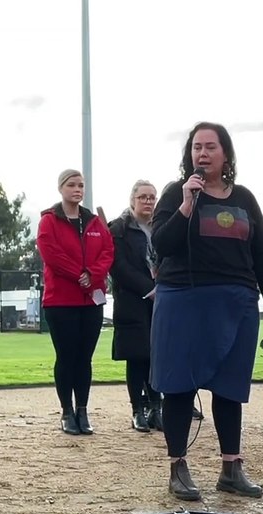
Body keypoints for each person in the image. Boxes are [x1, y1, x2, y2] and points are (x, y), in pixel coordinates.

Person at [151, 121, 263, 501]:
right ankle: (178, 466)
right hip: (183, 300)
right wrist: (185, 205)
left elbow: (259, 253)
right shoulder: (175, 193)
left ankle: (232, 468)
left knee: (230, 387)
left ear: (225, 154)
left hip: (236, 303)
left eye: (211, 147)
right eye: (197, 147)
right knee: (178, 384)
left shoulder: (244, 199)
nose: (203, 154)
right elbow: (163, 244)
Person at [36, 170, 114, 434]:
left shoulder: (93, 222)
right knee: (66, 356)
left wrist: (92, 275)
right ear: (61, 188)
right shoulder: (49, 221)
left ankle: (82, 409)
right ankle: (66, 411)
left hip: (90, 300)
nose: (77, 189)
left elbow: (108, 250)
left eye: (81, 185)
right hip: (60, 300)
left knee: (85, 358)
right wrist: (78, 274)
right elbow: (51, 254)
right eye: (71, 185)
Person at [107, 180, 161, 432]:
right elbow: (118, 266)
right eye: (143, 197)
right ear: (132, 200)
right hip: (132, 300)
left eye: (152, 197)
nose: (148, 201)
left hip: (161, 300)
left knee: (156, 355)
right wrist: (148, 289)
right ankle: (137, 409)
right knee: (137, 356)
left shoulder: (161, 227)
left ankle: (155, 408)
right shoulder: (119, 228)